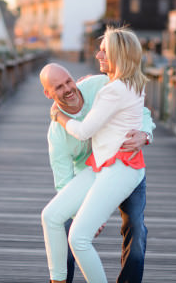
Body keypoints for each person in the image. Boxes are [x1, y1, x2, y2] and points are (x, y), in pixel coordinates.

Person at [42, 26, 149, 283]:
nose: (98, 56)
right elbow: (63, 177)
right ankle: (58, 280)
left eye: (104, 52)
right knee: (52, 216)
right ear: (48, 93)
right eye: (59, 87)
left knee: (81, 237)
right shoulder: (124, 83)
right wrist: (81, 210)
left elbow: (83, 131)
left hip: (121, 166)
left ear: (118, 56)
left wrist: (60, 116)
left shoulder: (108, 88)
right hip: (100, 166)